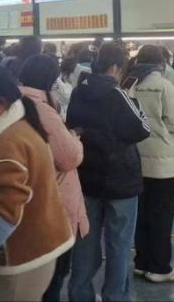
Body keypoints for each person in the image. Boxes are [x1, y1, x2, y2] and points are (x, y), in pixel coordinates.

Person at [0, 66, 73, 302]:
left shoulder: (8, 141)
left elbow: (6, 213)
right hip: (39, 247)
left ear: (0, 103)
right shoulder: (23, 126)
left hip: (24, 255)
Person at [66, 43, 151, 302]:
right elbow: (142, 129)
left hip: (86, 179)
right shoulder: (117, 95)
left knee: (85, 242)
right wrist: (131, 99)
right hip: (120, 181)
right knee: (119, 245)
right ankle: (115, 296)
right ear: (115, 67)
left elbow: (72, 126)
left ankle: (79, 294)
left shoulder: (78, 92)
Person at [18, 55, 88, 302]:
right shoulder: (42, 110)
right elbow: (68, 158)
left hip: (29, 203)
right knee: (53, 279)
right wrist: (75, 139)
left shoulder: (16, 103)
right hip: (54, 206)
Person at [125, 46, 174, 283]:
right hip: (163, 162)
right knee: (161, 216)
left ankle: (141, 262)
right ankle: (159, 268)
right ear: (161, 63)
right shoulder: (164, 86)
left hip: (135, 157)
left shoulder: (128, 84)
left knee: (141, 214)